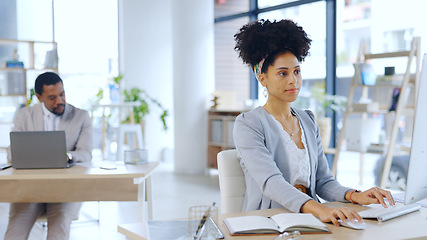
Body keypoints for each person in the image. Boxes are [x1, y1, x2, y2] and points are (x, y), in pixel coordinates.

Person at [233, 19, 395, 227]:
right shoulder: (248, 124)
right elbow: (272, 182)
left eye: (297, 71)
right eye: (283, 73)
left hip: (309, 219)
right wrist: (322, 210)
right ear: (262, 78)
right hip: (269, 222)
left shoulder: (307, 120)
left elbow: (323, 181)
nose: (293, 80)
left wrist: (355, 195)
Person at [5, 72, 93, 240]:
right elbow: (12, 151)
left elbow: (85, 153)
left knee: (57, 233)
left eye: (62, 94)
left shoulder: (81, 116)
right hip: (29, 189)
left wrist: (65, 156)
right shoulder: (25, 115)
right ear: (39, 97)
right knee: (14, 233)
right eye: (52, 97)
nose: (60, 101)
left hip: (65, 191)